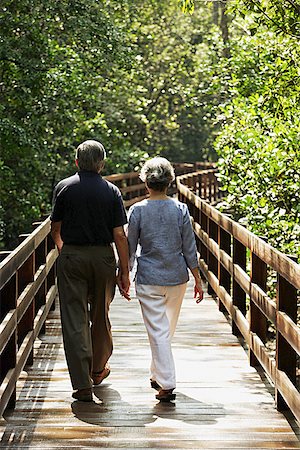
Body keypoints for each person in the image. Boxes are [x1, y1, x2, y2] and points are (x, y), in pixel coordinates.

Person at [50, 139, 130, 402]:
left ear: (76, 162)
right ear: (101, 164)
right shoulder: (111, 191)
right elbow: (119, 234)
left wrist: (66, 251)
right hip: (103, 258)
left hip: (72, 255)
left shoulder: (64, 188)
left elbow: (56, 228)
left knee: (74, 319)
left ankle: (82, 384)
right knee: (100, 315)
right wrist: (124, 270)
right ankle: (97, 370)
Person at [127, 157, 204, 402]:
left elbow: (129, 248)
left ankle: (167, 382)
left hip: (149, 278)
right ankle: (158, 375)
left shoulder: (137, 210)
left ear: (145, 182)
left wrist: (124, 275)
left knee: (160, 331)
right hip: (177, 278)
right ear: (169, 182)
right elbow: (189, 248)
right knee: (164, 330)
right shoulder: (180, 209)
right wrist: (197, 278)